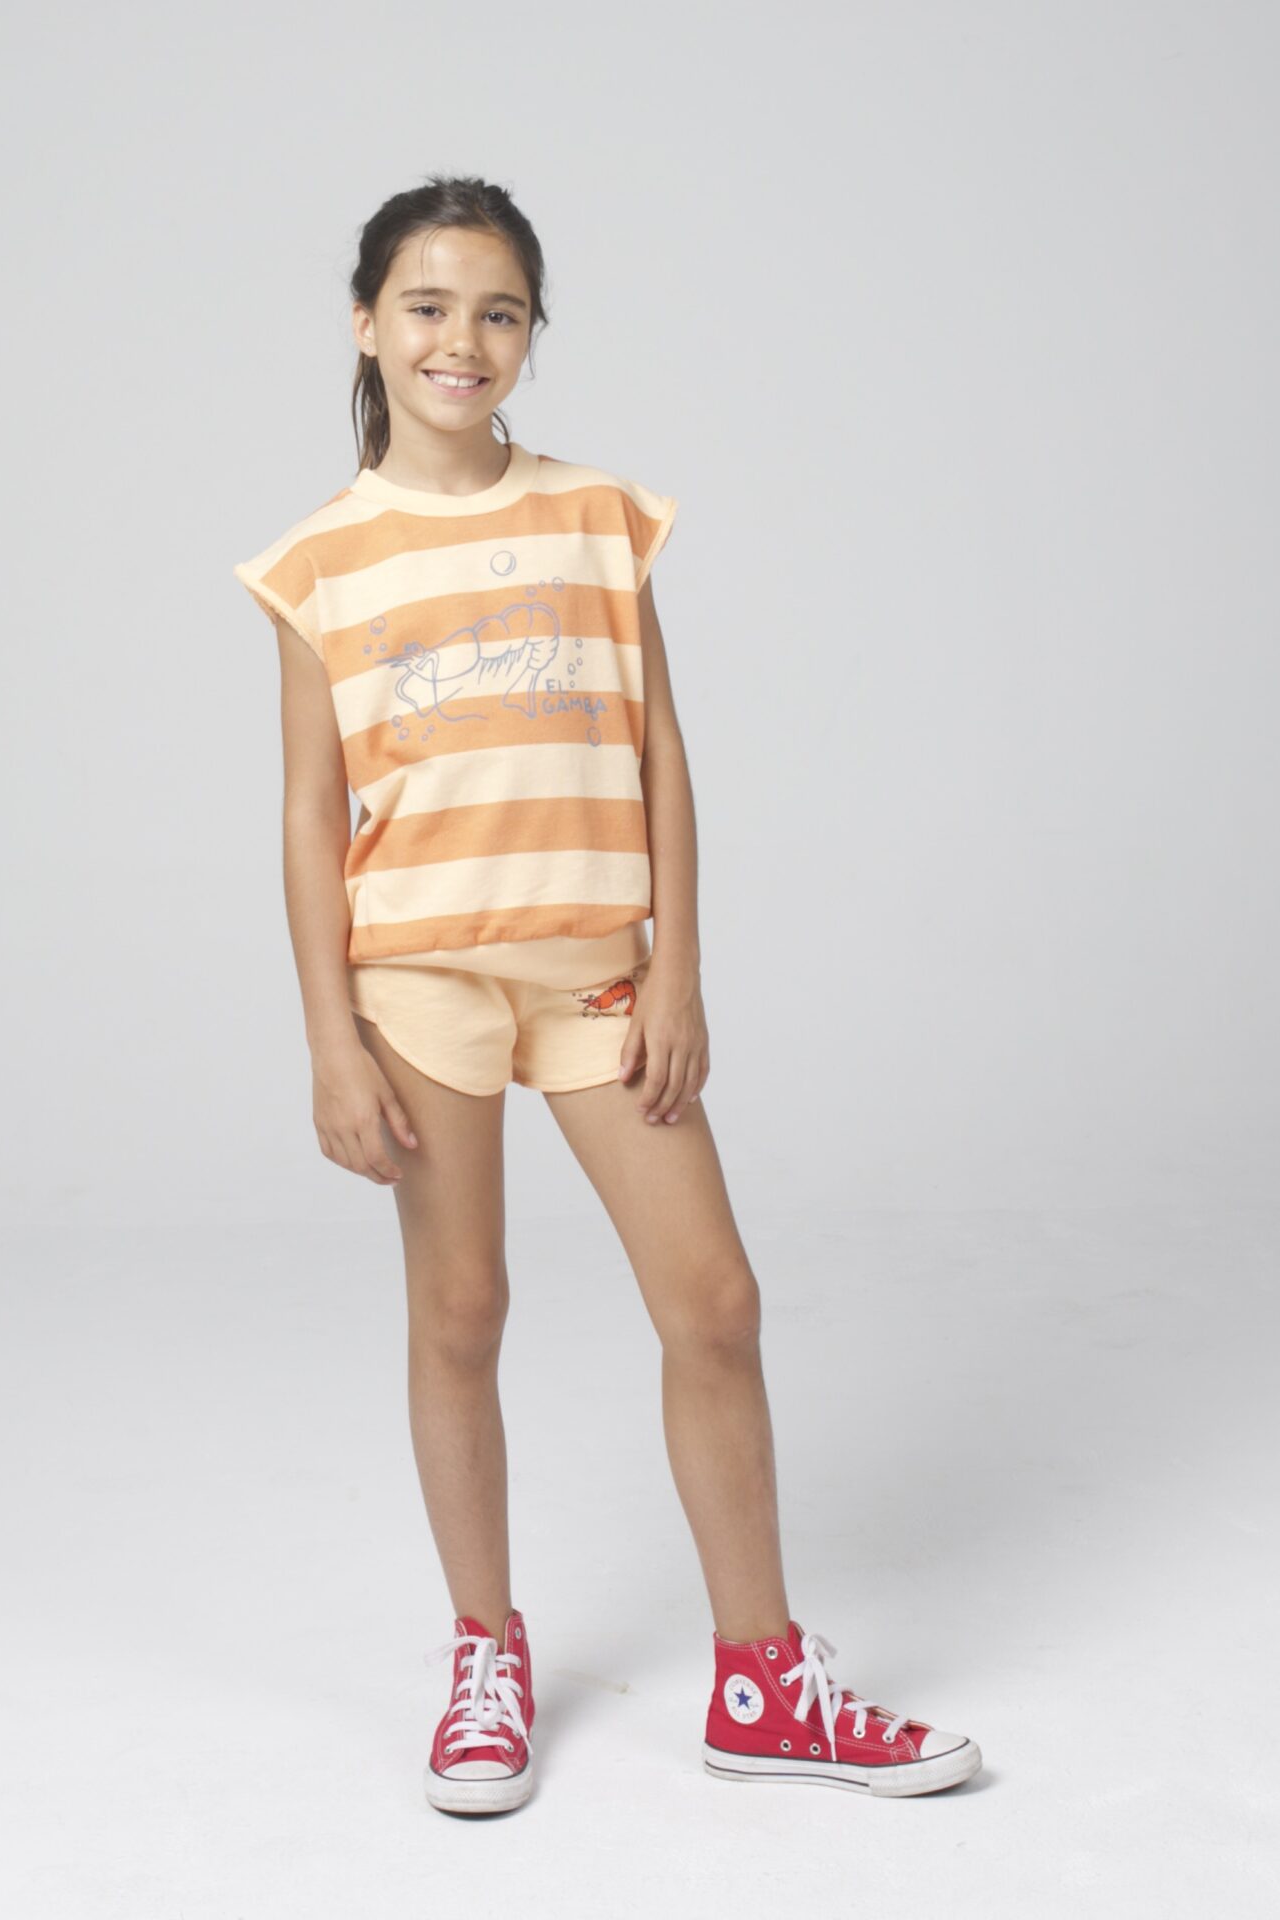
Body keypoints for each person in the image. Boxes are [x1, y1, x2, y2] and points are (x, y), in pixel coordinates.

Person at [234, 172, 982, 1818]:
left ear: (530, 334)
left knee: (713, 1303)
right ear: (365, 324)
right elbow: (305, 809)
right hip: (419, 978)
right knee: (460, 1311)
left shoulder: (596, 518)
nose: (462, 339)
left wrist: (678, 968)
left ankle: (760, 1679)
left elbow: (658, 750)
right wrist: (329, 1039)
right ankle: (483, 1653)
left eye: (498, 310)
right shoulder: (317, 563)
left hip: (596, 975)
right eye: (427, 306)